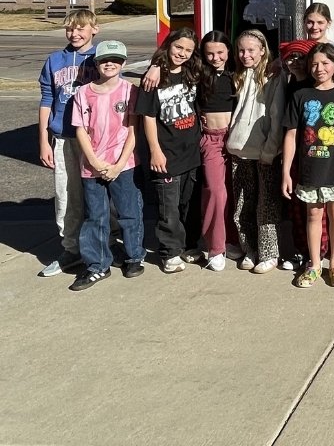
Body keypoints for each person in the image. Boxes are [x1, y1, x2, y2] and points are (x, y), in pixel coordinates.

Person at [69, 40, 145, 291]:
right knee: (96, 216)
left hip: (123, 164)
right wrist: (94, 161)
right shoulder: (83, 93)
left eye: (115, 60)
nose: (109, 64)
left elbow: (133, 130)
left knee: (129, 211)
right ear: (97, 63)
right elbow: (80, 129)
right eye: (104, 60)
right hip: (93, 166)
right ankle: (97, 264)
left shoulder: (129, 91)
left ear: (123, 63)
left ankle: (134, 255)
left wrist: (119, 163)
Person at [282, 43, 334, 288]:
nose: (319, 68)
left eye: (325, 63)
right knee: (313, 215)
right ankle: (314, 264)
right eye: (314, 63)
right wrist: (286, 172)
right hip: (309, 169)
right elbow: (291, 135)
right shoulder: (300, 95)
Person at [37, 8, 100, 277]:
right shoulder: (55, 60)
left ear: (93, 30)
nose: (74, 33)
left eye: (80, 28)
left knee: (99, 193)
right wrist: (43, 139)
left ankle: (105, 244)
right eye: (70, 29)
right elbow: (47, 100)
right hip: (64, 137)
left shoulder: (101, 57)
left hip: (97, 138)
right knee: (67, 194)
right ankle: (71, 249)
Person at [135, 28, 203, 273]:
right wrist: (155, 150)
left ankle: (188, 245)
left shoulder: (191, 72)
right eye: (178, 48)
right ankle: (170, 252)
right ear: (169, 45)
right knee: (168, 207)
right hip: (166, 154)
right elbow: (149, 118)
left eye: (188, 50)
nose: (182, 54)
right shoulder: (153, 79)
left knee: (189, 203)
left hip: (191, 151)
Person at [226, 29, 286, 274]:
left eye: (251, 50)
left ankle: (269, 253)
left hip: (263, 152)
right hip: (238, 150)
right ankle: (250, 249)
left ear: (263, 50)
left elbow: (276, 114)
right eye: (241, 50)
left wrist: (270, 149)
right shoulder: (238, 75)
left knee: (266, 205)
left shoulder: (273, 77)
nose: (245, 55)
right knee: (242, 205)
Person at [190, 30, 237, 272]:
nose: (215, 57)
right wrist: (156, 66)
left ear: (229, 51)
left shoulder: (237, 76)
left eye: (220, 52)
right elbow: (170, 59)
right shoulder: (198, 74)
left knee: (232, 192)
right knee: (215, 192)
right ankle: (215, 247)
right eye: (210, 53)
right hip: (211, 140)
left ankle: (230, 239)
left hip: (236, 139)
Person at [280, 38, 322, 270]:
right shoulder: (287, 84)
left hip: (314, 153)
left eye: (300, 57)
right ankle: (301, 250)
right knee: (297, 207)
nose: (294, 62)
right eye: (290, 57)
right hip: (294, 152)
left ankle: (317, 252)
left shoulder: (312, 86)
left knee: (315, 208)